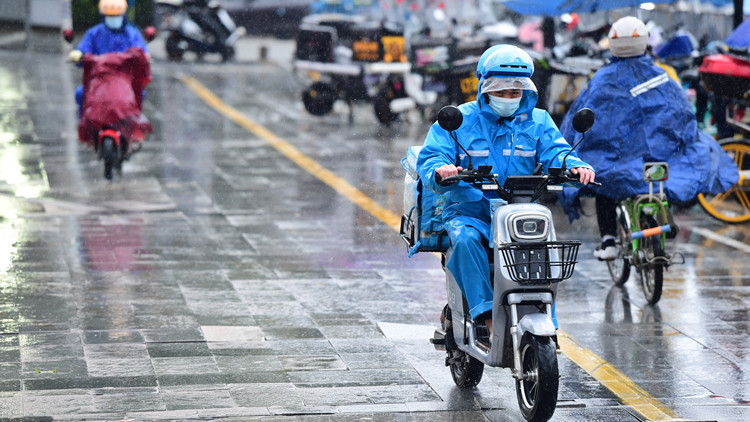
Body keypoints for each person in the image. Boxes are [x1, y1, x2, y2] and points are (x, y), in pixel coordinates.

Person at [417, 44, 595, 337]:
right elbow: (433, 156)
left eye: (515, 92)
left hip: (519, 209)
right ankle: (484, 315)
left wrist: (576, 167)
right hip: (470, 212)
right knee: (464, 240)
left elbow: (557, 152)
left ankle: (544, 313)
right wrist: (441, 169)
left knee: (545, 240)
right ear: (484, 88)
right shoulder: (458, 121)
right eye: (501, 91)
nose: (508, 98)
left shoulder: (539, 121)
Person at [557, 16, 739, 260]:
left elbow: (579, 121)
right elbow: (682, 113)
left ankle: (608, 240)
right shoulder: (661, 75)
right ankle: (664, 216)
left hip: (615, 160)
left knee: (603, 184)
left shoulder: (601, 79)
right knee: (662, 180)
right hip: (656, 157)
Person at [70, 0, 150, 116]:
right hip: (99, 80)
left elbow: (142, 52)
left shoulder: (133, 34)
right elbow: (83, 50)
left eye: (117, 15)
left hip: (125, 81)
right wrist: (78, 55)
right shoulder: (94, 33)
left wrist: (144, 57)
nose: (114, 18)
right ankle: (86, 127)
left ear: (123, 15)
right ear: (103, 16)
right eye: (110, 16)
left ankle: (132, 127)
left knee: (140, 94)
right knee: (81, 94)